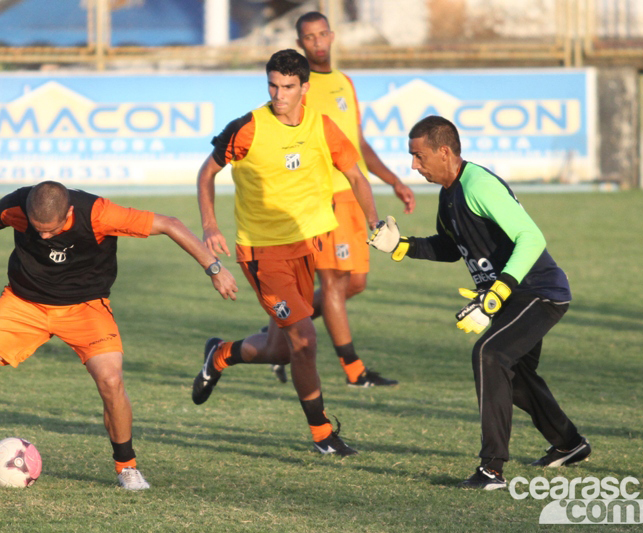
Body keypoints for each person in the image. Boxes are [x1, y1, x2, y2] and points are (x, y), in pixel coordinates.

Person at [0, 181, 238, 490]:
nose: (44, 237)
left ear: (69, 212)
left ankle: (126, 467)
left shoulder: (99, 214)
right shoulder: (17, 205)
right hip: (24, 302)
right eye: (38, 230)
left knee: (111, 380)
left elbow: (170, 224)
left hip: (85, 307)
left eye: (51, 231)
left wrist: (214, 268)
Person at [369, 115, 590, 489]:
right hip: (509, 296)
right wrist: (402, 246)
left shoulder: (477, 185)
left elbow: (531, 238)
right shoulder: (448, 194)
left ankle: (492, 469)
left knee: (490, 355)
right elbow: (449, 246)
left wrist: (497, 293)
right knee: (514, 375)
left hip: (539, 292)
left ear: (444, 152)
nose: (413, 165)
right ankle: (568, 443)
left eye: (418, 156)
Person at [191, 49, 379, 456]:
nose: (279, 94)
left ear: (304, 88)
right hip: (262, 255)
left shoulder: (322, 126)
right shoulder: (247, 129)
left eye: (288, 87)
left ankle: (221, 354)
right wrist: (210, 224)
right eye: (273, 86)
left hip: (307, 248)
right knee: (306, 340)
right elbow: (207, 172)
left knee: (282, 349)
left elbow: (354, 175)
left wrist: (376, 223)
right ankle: (322, 434)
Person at [263, 11, 416, 387]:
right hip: (324, 196)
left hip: (351, 192)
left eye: (321, 35)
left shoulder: (344, 82)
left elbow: (356, 141)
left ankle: (279, 333)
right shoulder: (300, 87)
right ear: (300, 43)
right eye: (308, 37)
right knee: (332, 281)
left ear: (331, 36)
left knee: (356, 282)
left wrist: (393, 180)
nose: (316, 42)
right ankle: (354, 370)